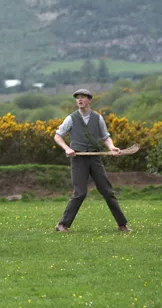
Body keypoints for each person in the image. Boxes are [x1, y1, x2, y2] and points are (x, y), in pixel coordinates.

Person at [53, 88, 131, 233]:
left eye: (82, 97)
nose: (79, 100)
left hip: (95, 158)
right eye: (77, 98)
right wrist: (66, 149)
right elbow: (58, 136)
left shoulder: (98, 118)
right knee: (80, 193)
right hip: (78, 159)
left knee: (107, 191)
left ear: (89, 100)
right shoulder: (71, 118)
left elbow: (105, 136)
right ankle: (62, 225)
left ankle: (122, 225)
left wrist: (112, 147)